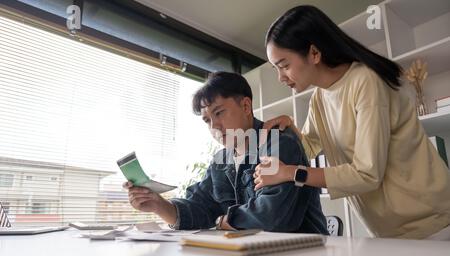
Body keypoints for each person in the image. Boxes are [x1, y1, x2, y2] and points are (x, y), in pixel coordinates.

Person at [253, 5, 450, 239]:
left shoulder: (366, 82)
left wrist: (291, 173)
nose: (280, 77)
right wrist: (290, 126)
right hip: (388, 231)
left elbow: (368, 173)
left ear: (314, 53)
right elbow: (307, 148)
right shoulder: (320, 97)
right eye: (276, 68)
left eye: (284, 65)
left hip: (433, 224)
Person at [124, 72, 328, 234]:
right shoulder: (221, 160)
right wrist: (159, 205)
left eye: (219, 113)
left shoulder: (278, 142)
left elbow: (272, 218)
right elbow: (200, 207)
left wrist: (224, 220)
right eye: (207, 120)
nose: (215, 126)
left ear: (246, 106)